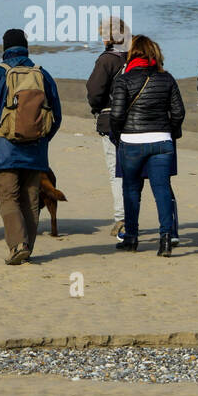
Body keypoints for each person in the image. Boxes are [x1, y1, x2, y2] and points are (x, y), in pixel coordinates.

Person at [0, 29, 62, 265]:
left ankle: (18, 246)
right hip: (35, 151)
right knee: (31, 200)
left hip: (2, 150)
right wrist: (42, 140)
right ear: (26, 47)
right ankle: (27, 247)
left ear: (4, 49)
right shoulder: (43, 76)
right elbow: (56, 117)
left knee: (8, 198)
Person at [108, 35, 185, 256]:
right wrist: (170, 130)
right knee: (161, 191)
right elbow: (179, 112)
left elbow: (116, 114)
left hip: (131, 141)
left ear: (132, 54)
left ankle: (131, 238)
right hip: (161, 141)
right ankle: (166, 239)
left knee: (131, 190)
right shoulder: (167, 78)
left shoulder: (123, 80)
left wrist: (117, 135)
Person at [86, 16, 131, 237]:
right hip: (138, 123)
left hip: (111, 121)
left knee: (117, 172)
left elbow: (94, 92)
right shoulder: (135, 57)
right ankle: (132, 216)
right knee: (136, 172)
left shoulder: (106, 60)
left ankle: (122, 218)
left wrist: (97, 108)